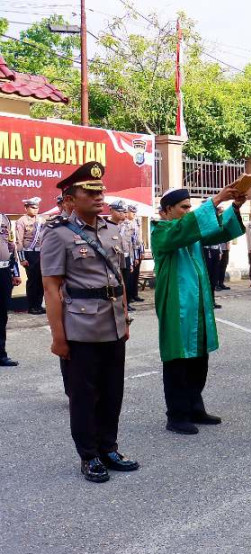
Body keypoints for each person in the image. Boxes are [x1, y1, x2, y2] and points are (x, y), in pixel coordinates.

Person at [41, 162, 138, 482]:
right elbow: (52, 288)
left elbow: (119, 279)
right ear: (70, 199)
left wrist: (124, 317)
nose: (99, 196)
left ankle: (109, 447)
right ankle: (89, 455)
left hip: (112, 323)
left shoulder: (112, 230)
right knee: (83, 396)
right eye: (90, 192)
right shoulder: (59, 235)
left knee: (113, 391)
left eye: (101, 191)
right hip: (80, 327)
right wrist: (58, 337)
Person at [152, 186, 247, 435]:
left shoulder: (189, 232)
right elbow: (183, 230)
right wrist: (216, 199)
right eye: (183, 207)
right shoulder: (161, 231)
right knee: (178, 360)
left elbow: (218, 231)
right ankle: (176, 415)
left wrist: (234, 206)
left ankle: (195, 407)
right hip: (177, 308)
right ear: (166, 211)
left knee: (199, 358)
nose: (187, 212)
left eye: (189, 208)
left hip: (197, 307)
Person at [15, 197, 46, 314]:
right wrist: (22, 259)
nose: (35, 210)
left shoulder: (41, 220)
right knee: (33, 281)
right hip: (29, 254)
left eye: (37, 208)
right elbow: (19, 241)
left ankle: (38, 305)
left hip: (41, 253)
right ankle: (32, 306)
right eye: (33, 208)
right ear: (26, 208)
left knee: (41, 280)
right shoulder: (21, 221)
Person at [106, 200, 137, 312]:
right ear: (111, 211)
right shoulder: (106, 226)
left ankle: (126, 303)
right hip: (115, 259)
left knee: (127, 282)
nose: (122, 214)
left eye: (123, 211)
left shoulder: (128, 225)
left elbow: (130, 244)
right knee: (116, 282)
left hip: (127, 257)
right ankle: (117, 304)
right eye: (119, 211)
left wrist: (132, 260)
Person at [1, 210, 21, 367]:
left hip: (4, 272)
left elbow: (11, 245)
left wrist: (15, 271)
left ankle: (1, 354)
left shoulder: (4, 218)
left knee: (2, 315)